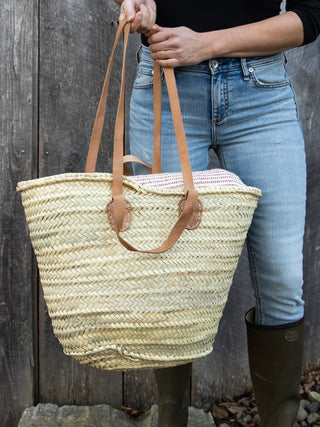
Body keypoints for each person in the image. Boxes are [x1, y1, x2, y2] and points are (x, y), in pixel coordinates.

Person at [112, 1, 320, 426]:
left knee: (282, 277)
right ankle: (171, 419)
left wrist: (206, 44)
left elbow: (310, 16)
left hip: (260, 96)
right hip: (165, 88)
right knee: (167, 273)